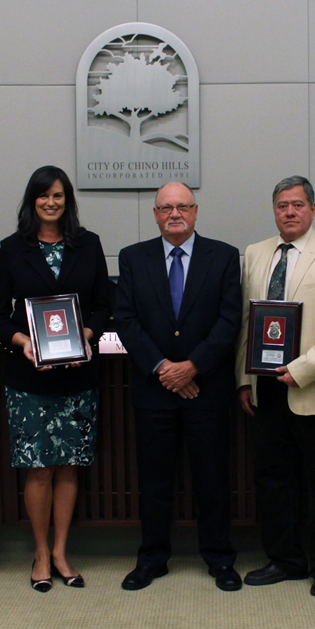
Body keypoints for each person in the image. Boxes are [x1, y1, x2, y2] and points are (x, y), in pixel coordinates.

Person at [113, 183, 243, 591]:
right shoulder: (133, 258)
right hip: (154, 391)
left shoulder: (223, 257)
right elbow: (125, 319)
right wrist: (163, 368)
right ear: (155, 214)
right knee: (154, 481)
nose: (175, 214)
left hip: (207, 388)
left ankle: (220, 558)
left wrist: (192, 367)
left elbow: (230, 320)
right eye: (166, 207)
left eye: (183, 207)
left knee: (212, 480)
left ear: (196, 211)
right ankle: (152, 559)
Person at [236, 176, 315, 597]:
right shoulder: (255, 253)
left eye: (297, 205)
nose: (289, 212)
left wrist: (301, 370)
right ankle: (284, 559)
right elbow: (247, 323)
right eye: (282, 205)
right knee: (272, 479)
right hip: (266, 387)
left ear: (313, 209)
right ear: (274, 210)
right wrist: (244, 379)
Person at [0, 166, 111, 591]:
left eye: (58, 195)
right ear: (32, 200)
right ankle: (40, 553)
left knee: (69, 468)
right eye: (43, 195)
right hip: (30, 377)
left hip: (78, 376)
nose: (51, 202)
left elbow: (104, 306)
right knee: (39, 469)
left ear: (67, 200)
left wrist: (87, 335)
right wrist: (24, 341)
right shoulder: (11, 249)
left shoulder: (89, 244)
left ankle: (61, 551)